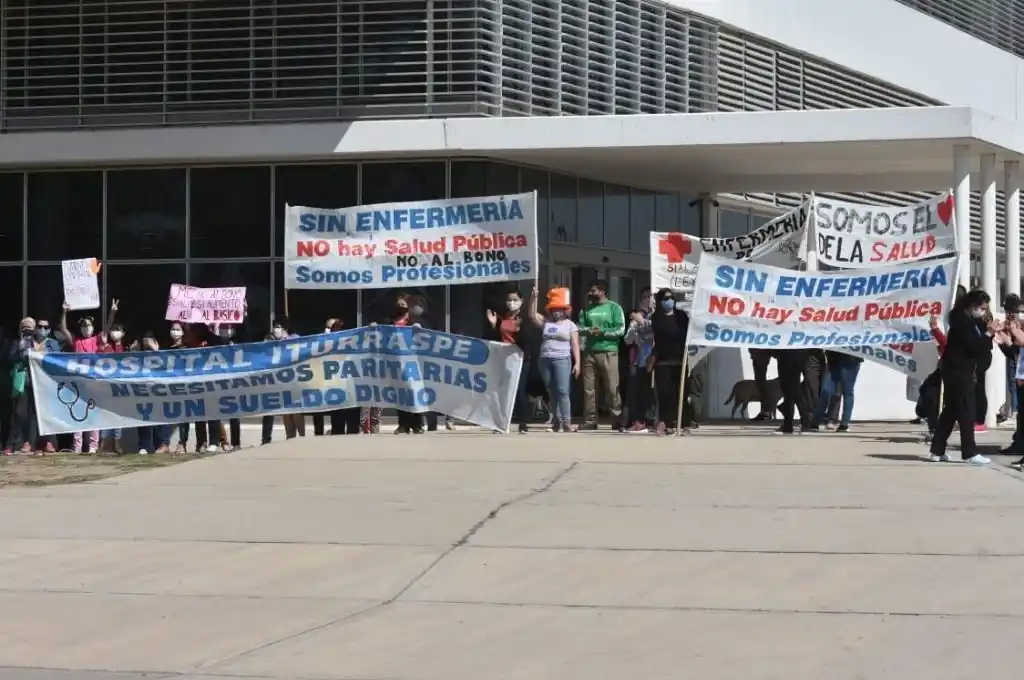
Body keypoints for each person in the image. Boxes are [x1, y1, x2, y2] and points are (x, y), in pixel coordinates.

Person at [929, 289, 1002, 465]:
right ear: (973, 305)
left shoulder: (969, 321)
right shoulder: (962, 322)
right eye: (982, 307)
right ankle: (969, 452)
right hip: (959, 371)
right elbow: (974, 347)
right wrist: (989, 334)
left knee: (950, 411)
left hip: (959, 370)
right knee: (967, 411)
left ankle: (937, 449)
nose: (983, 311)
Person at [60, 299, 117, 454]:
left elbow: (107, 327)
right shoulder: (76, 341)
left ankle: (93, 446)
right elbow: (63, 328)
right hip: (78, 384)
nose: (87, 328)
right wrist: (64, 311)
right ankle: (77, 446)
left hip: (94, 383)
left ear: (93, 327)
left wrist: (112, 312)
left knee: (93, 414)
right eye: (84, 326)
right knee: (77, 414)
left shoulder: (96, 340)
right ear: (80, 328)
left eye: (89, 325)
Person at [6, 318, 60, 455]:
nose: (42, 329)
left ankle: (39, 446)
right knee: (19, 413)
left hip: (43, 384)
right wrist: (21, 348)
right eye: (39, 327)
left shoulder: (52, 343)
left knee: (38, 415)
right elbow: (11, 358)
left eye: (45, 327)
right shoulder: (25, 342)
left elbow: (57, 360)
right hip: (26, 382)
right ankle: (10, 445)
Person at [529, 286, 580, 433]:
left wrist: (577, 363)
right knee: (551, 391)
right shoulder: (546, 322)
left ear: (565, 310)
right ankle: (556, 421)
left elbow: (575, 345)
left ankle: (567, 422)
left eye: (560, 309)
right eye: (554, 309)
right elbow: (532, 315)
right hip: (545, 359)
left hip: (562, 359)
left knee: (563, 391)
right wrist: (533, 298)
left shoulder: (571, 325)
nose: (557, 312)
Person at [486, 287, 536, 433]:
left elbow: (527, 339)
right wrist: (493, 325)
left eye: (515, 300)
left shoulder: (524, 319)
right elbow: (495, 338)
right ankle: (500, 422)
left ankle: (523, 422)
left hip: (520, 358)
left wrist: (520, 330)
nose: (511, 303)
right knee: (502, 390)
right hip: (503, 357)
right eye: (509, 300)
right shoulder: (503, 317)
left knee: (519, 390)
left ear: (521, 301)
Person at [578, 280, 625, 430]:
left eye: (593, 291)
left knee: (612, 387)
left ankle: (616, 418)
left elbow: (621, 330)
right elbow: (579, 327)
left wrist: (603, 332)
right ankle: (590, 420)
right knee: (589, 389)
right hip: (589, 352)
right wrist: (588, 331)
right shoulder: (586, 309)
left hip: (609, 351)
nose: (590, 294)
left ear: (602, 291)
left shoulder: (614, 308)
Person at [649, 289, 692, 435]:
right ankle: (664, 423)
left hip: (680, 360)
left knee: (682, 394)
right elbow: (662, 335)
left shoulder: (681, 316)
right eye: (666, 298)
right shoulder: (656, 318)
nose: (670, 301)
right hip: (663, 361)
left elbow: (685, 333)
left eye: (672, 298)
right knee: (664, 394)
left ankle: (685, 424)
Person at [262, 317, 305, 444]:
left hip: (294, 380)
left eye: (279, 326)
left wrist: (285, 340)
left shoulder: (294, 338)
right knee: (286, 412)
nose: (277, 329)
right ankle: (290, 438)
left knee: (296, 411)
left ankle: (303, 438)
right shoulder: (269, 339)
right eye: (275, 326)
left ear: (285, 328)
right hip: (279, 381)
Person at [623, 289, 655, 433]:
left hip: (654, 359)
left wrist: (642, 322)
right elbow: (628, 339)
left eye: (650, 297)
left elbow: (655, 333)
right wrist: (635, 327)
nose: (647, 300)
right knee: (637, 393)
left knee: (652, 393)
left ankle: (652, 421)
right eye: (644, 297)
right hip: (639, 360)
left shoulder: (656, 316)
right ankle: (637, 421)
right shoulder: (638, 317)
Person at [133, 332, 171, 455]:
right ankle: (143, 445)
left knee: (160, 419)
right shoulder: (138, 356)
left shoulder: (163, 355)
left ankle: (162, 444)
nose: (147, 347)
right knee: (143, 419)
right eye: (145, 345)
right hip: (143, 392)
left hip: (160, 392)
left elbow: (168, 370)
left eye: (149, 343)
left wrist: (156, 351)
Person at [97, 321, 128, 454]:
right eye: (113, 329)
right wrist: (104, 345)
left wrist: (119, 344)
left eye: (118, 329)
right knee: (105, 415)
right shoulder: (106, 346)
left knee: (117, 416)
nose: (115, 331)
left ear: (124, 333)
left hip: (119, 387)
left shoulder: (125, 347)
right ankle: (103, 443)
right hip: (105, 387)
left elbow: (121, 360)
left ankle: (117, 443)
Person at [813, 351, 862, 433]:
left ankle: (844, 423)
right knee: (826, 390)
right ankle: (816, 420)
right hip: (834, 357)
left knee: (847, 391)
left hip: (851, 358)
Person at [776, 349, 814, 435]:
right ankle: (800, 422)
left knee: (792, 392)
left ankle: (797, 423)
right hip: (796, 355)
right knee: (792, 391)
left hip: (788, 356)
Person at [748, 349, 775, 421]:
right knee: (760, 383)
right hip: (759, 356)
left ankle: (766, 412)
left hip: (761, 356)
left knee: (761, 383)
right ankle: (766, 412)